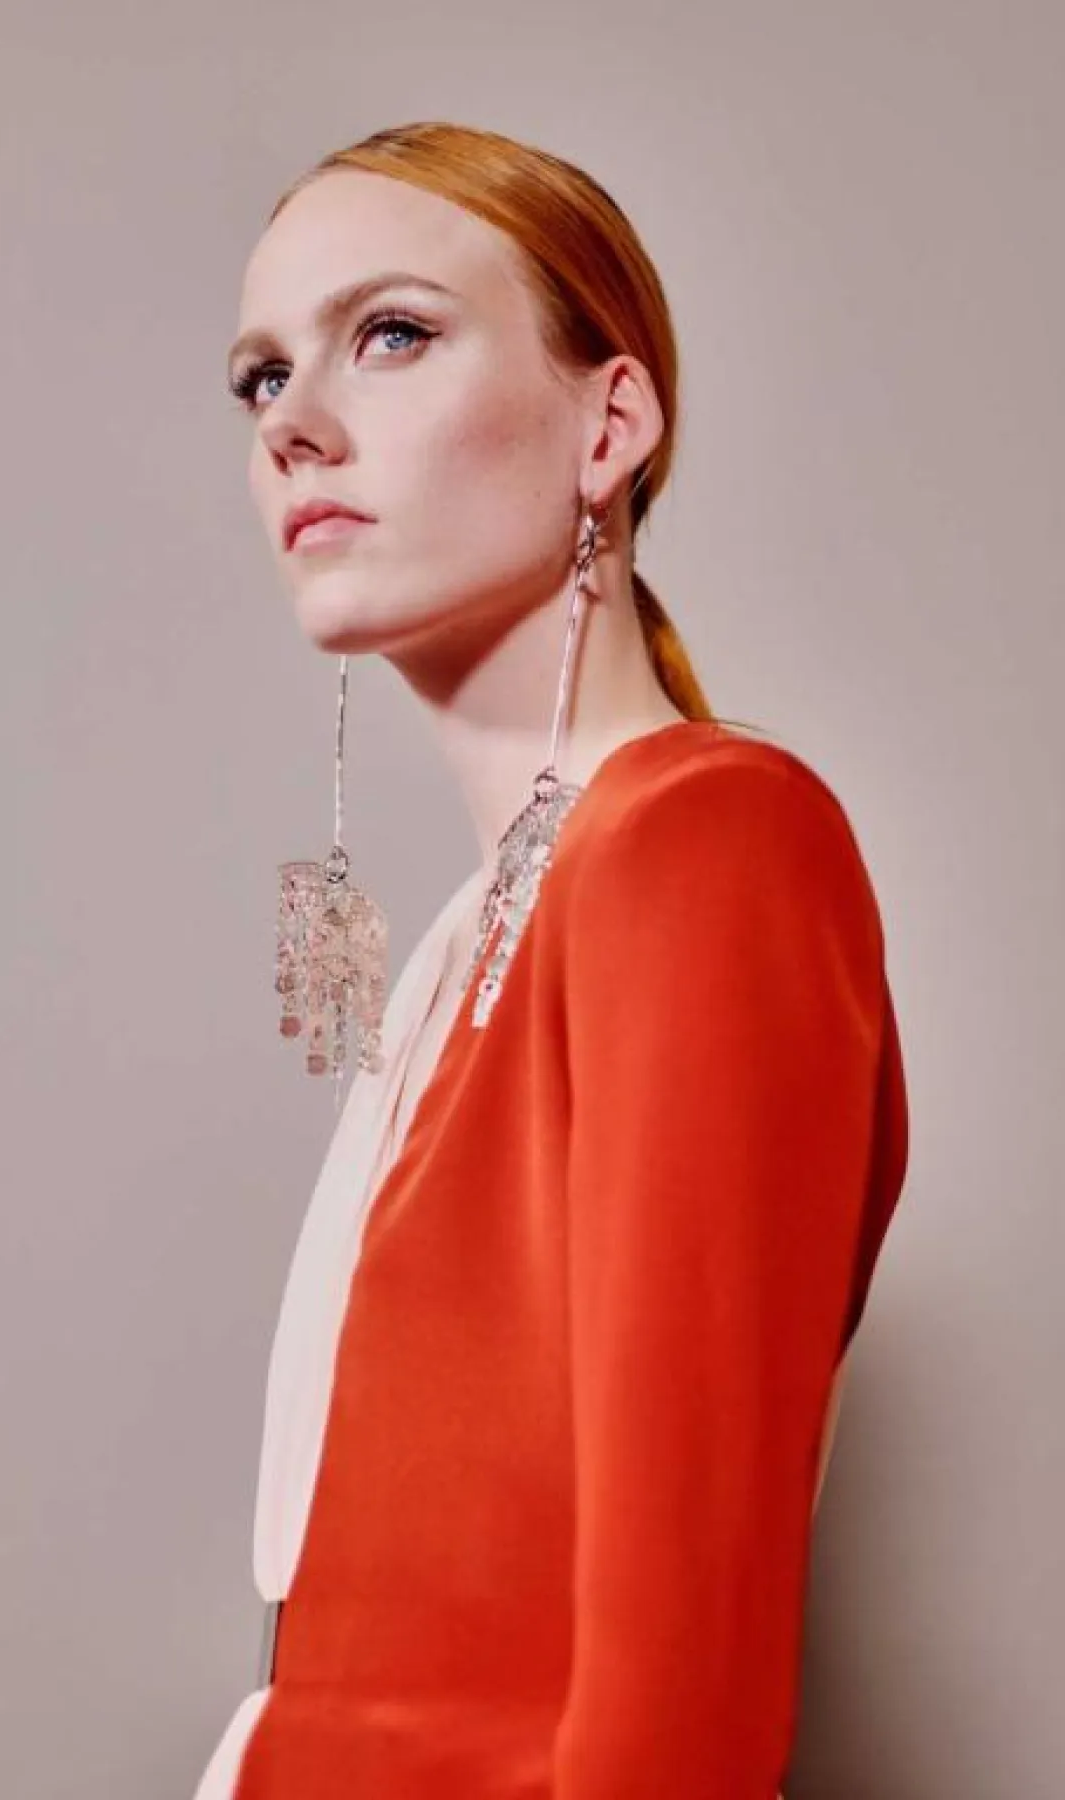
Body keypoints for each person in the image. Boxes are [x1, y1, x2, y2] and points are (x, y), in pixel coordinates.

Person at [194, 120, 910, 1800]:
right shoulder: (472, 934)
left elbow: (683, 1695)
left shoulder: (707, 843)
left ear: (611, 423)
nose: (291, 421)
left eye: (391, 334)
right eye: (260, 376)